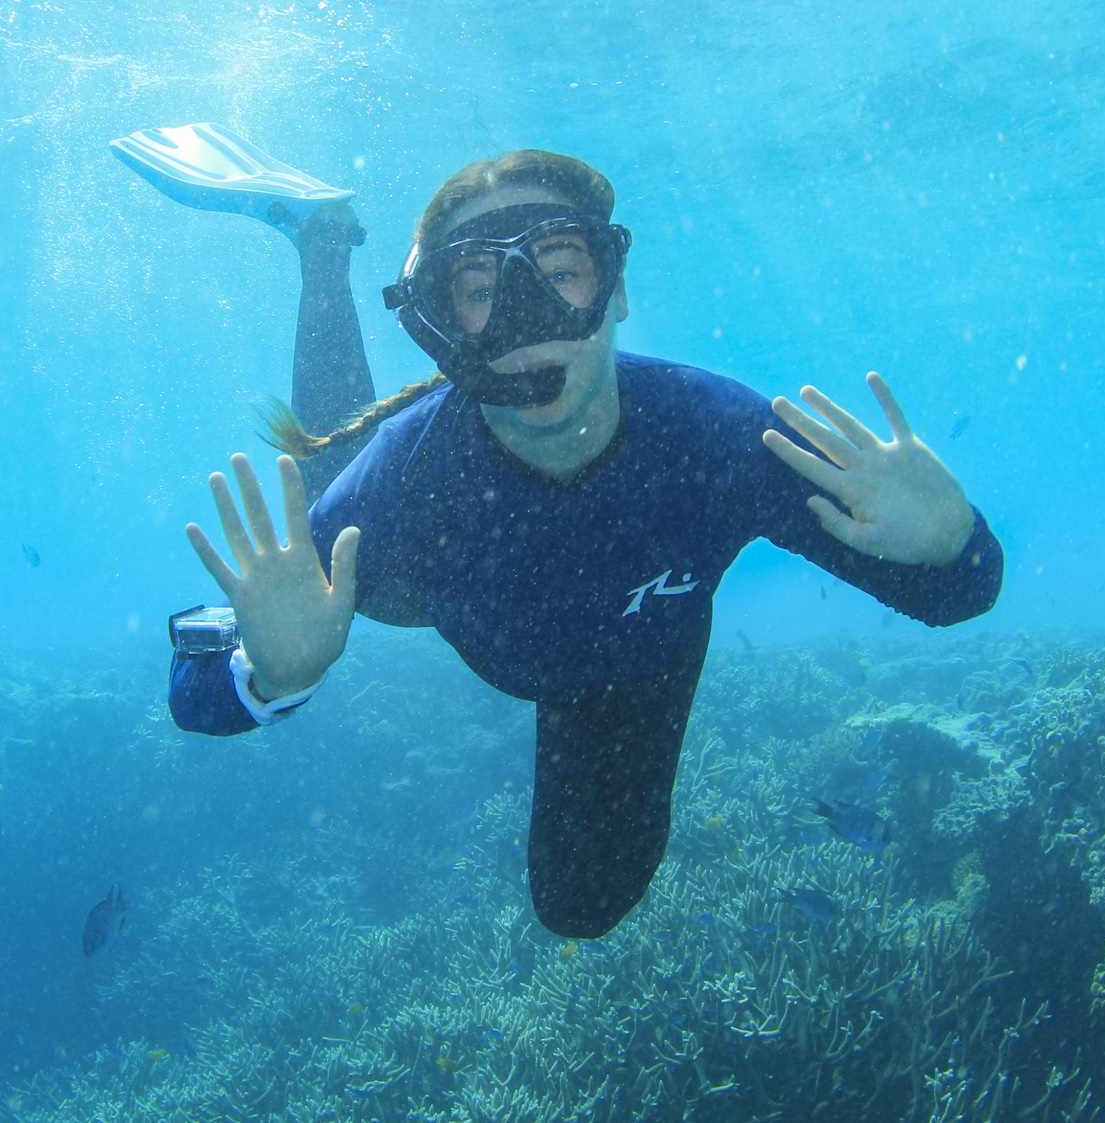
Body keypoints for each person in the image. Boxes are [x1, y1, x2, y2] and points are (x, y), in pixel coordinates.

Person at [117, 129, 1003, 939]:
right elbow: (195, 690)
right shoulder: (405, 482)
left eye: (560, 268)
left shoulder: (724, 440)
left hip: (631, 670)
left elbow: (958, 595)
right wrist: (268, 673)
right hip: (416, 586)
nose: (527, 315)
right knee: (333, 468)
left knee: (582, 906)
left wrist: (953, 544)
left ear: (616, 290)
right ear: (438, 329)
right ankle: (322, 245)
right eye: (477, 289)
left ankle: (333, 249)